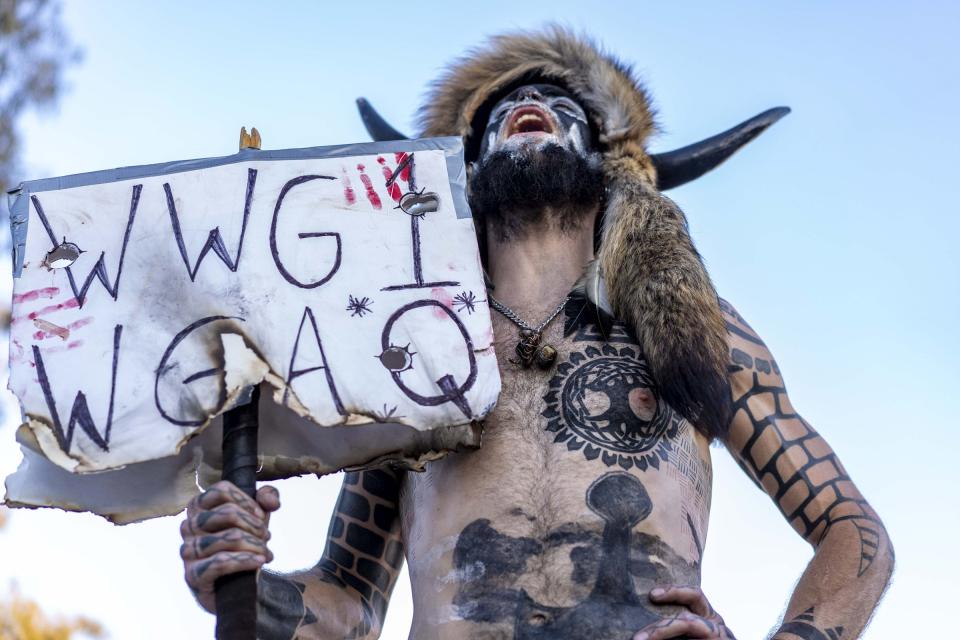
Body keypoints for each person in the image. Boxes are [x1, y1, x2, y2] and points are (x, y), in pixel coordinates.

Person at [179, 28, 893, 639]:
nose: (526, 106)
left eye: (560, 105)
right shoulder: (416, 352)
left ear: (610, 161)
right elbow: (349, 600)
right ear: (467, 164)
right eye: (498, 110)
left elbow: (853, 530)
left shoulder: (700, 334)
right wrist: (244, 586)